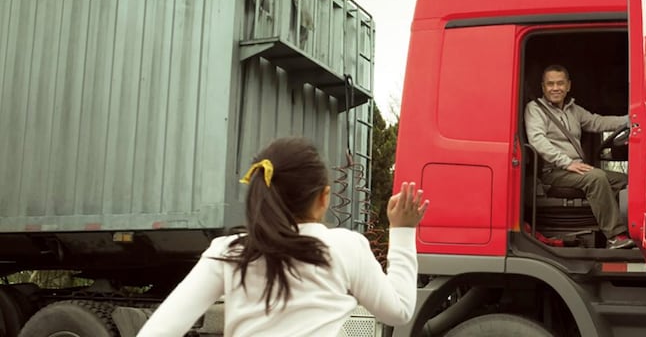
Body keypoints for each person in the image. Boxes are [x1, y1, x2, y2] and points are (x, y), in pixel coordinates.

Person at [137, 137, 429, 336]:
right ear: (324, 197)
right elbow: (399, 312)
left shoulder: (228, 251)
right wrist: (403, 231)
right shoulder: (345, 247)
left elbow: (157, 331)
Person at [524, 65, 634, 249]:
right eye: (550, 84)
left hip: (575, 169)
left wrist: (630, 119)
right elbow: (537, 141)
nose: (555, 88)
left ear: (568, 86)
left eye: (560, 83)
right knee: (596, 178)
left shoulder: (573, 109)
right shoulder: (535, 109)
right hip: (553, 171)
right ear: (543, 87)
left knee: (626, 181)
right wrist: (567, 163)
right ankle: (615, 236)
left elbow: (597, 122)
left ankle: (634, 231)